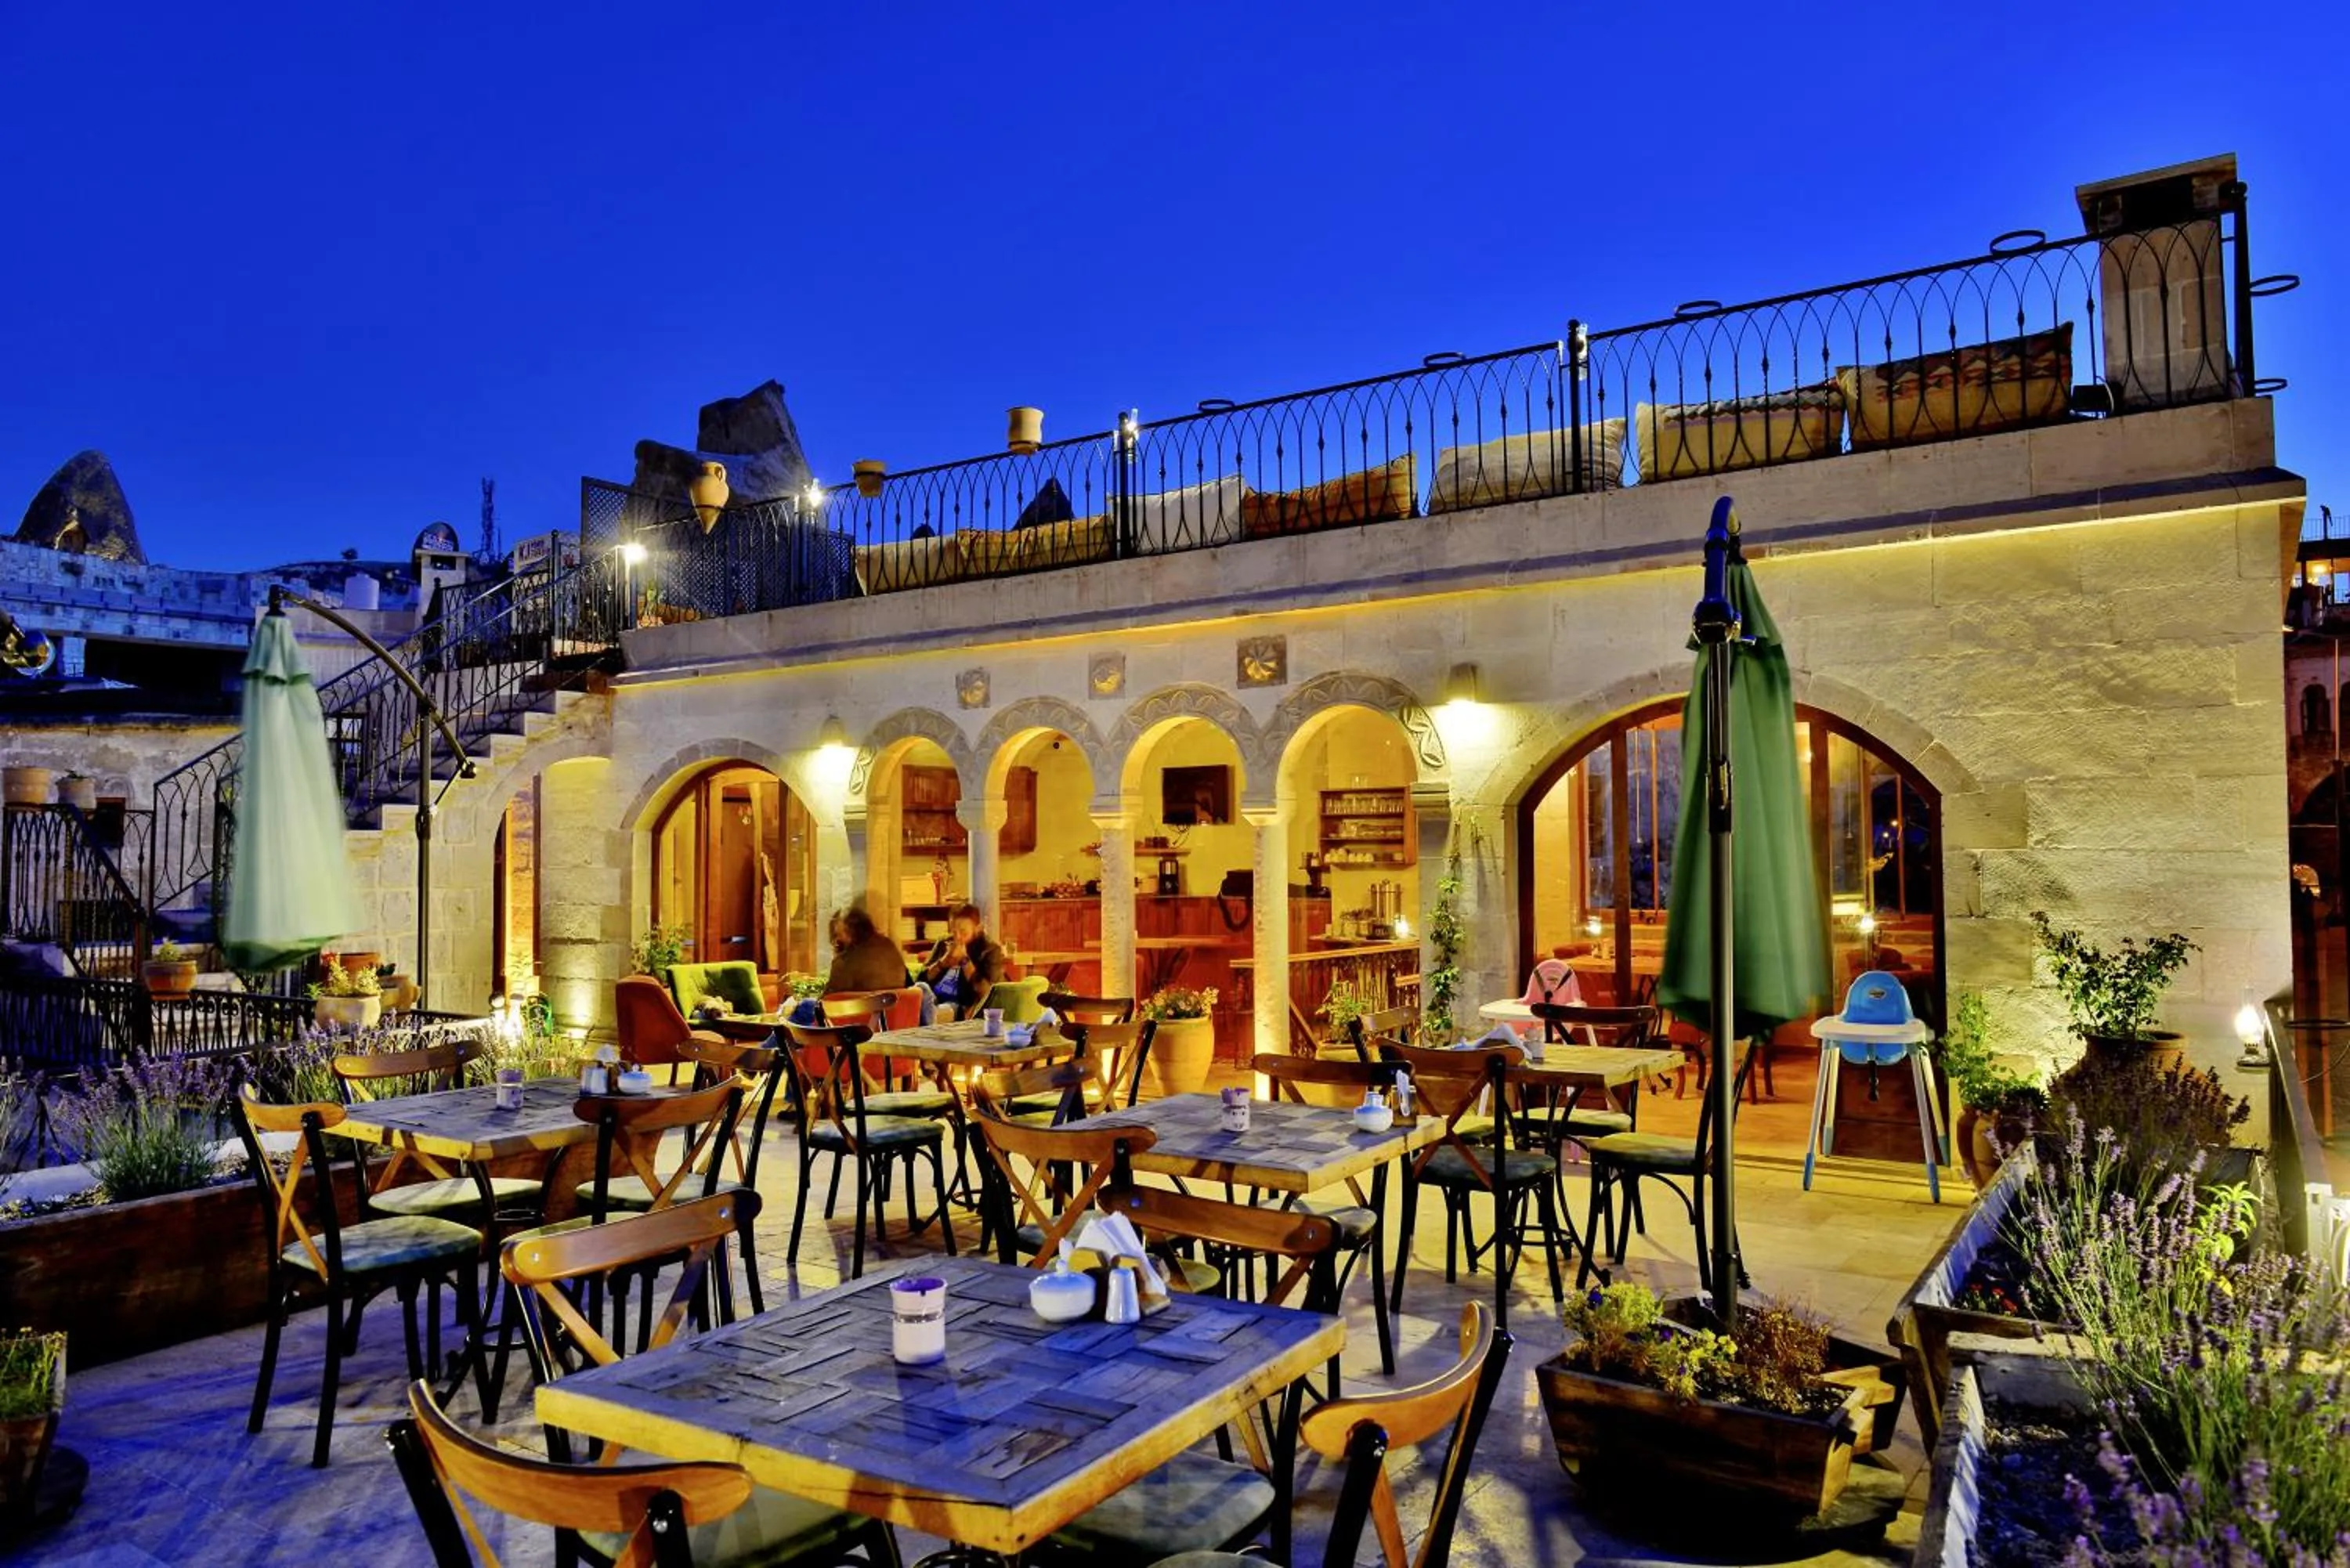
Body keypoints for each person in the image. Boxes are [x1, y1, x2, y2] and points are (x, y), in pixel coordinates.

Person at [918, 902, 1006, 1021]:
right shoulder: (943, 944)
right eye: (954, 932)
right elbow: (921, 980)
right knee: (920, 988)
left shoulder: (989, 950)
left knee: (944, 1009)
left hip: (959, 1007)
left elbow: (988, 993)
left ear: (978, 929)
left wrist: (964, 960)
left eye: (963, 932)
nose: (958, 937)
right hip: (932, 999)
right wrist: (943, 962)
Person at [822, 902, 913, 995]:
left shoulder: (845, 962)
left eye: (839, 935)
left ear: (850, 933)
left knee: (807, 1004)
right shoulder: (888, 945)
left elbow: (827, 1000)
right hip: (896, 1007)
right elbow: (908, 984)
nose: (837, 940)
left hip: (860, 1007)